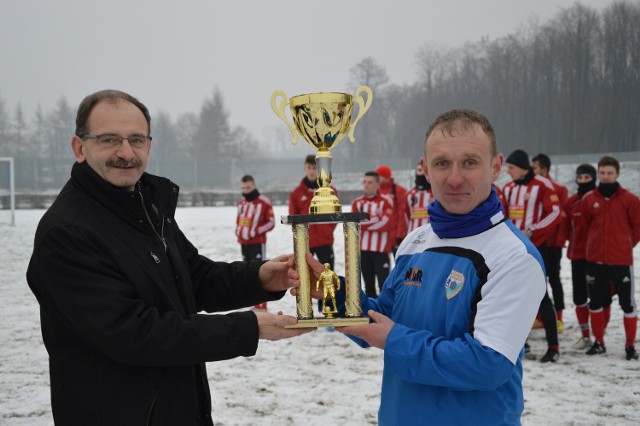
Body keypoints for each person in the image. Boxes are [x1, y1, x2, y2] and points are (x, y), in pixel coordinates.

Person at [25, 89, 311, 425]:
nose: (126, 152)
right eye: (109, 140)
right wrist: (247, 328)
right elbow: (134, 333)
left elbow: (191, 276)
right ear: (79, 148)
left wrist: (260, 277)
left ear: (150, 145)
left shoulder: (146, 205)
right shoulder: (67, 233)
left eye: (136, 139)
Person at [295, 109, 545, 424]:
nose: (454, 178)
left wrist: (394, 339)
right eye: (442, 163)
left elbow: (488, 364)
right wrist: (335, 293)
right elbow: (383, 317)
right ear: (425, 169)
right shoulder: (416, 241)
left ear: (496, 167)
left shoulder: (513, 256)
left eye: (470, 162)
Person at [503, 149, 562, 363]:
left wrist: (533, 229)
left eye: (510, 167)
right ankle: (520, 343)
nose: (507, 171)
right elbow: (504, 214)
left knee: (541, 296)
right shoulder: (508, 188)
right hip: (512, 250)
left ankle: (553, 347)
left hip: (536, 249)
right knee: (512, 296)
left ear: (521, 167)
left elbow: (555, 213)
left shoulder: (542, 185)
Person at [580, 155, 640, 360]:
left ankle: (630, 345)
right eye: (603, 173)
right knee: (595, 302)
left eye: (610, 173)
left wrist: (624, 245)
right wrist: (594, 247)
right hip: (595, 261)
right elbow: (585, 227)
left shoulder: (630, 200)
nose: (605, 177)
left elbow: (637, 227)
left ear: (617, 174)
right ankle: (599, 342)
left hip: (621, 261)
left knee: (628, 304)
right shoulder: (589, 199)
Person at [532, 153, 569, 331]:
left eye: (535, 168)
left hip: (553, 243)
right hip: (537, 243)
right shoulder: (533, 187)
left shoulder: (558, 188)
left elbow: (562, 218)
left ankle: (559, 318)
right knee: (538, 281)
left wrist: (559, 243)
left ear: (544, 169)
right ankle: (539, 317)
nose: (532, 171)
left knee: (554, 279)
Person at [564, 164, 597, 349]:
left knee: (599, 298)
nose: (583, 181)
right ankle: (585, 335)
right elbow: (567, 229)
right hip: (577, 256)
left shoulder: (602, 200)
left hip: (598, 257)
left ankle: (599, 337)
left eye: (587, 178)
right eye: (580, 178)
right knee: (579, 297)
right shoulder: (571, 202)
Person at [289, 154, 338, 269]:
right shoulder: (296, 193)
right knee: (304, 276)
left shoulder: (330, 191)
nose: (311, 171)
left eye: (315, 168)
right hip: (305, 241)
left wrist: (327, 230)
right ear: (304, 168)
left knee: (327, 275)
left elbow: (335, 214)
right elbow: (293, 216)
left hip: (325, 241)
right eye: (309, 168)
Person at [236, 174, 276, 310]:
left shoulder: (264, 201)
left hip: (258, 243)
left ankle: (262, 304)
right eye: (243, 188)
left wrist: (256, 231)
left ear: (254, 186)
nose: (246, 190)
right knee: (247, 272)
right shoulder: (241, 203)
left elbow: (271, 222)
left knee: (260, 272)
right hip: (244, 243)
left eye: (248, 187)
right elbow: (239, 221)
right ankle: (253, 302)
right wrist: (238, 231)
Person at [351, 171, 394, 297]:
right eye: (364, 182)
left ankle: (385, 314)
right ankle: (371, 315)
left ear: (377, 184)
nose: (366, 185)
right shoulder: (357, 203)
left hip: (381, 250)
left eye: (370, 182)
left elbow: (386, 224)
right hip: (363, 251)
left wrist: (365, 222)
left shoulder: (386, 202)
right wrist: (375, 218)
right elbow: (354, 225)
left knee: (384, 285)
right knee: (368, 286)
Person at [376, 164, 408, 257]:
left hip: (395, 234)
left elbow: (402, 213)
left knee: (399, 262)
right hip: (381, 235)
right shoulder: (376, 190)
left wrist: (400, 233)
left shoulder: (398, 190)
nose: (376, 178)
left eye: (379, 175)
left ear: (385, 176)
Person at [404, 162, 434, 232]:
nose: (422, 173)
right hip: (413, 233)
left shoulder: (436, 193)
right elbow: (406, 216)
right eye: (420, 170)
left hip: (431, 233)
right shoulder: (410, 194)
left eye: (424, 170)